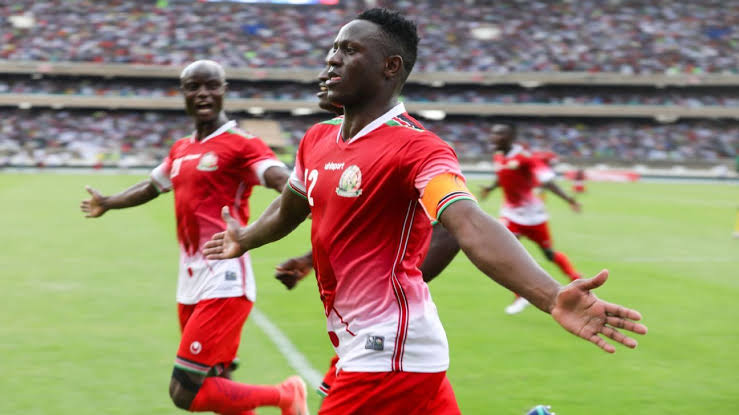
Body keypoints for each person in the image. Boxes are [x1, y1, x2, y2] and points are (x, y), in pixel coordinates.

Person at [203, 9, 647, 414]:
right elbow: (289, 208)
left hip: (390, 349)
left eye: (349, 50)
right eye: (333, 48)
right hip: (368, 342)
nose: (332, 59)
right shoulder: (317, 139)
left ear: (390, 66)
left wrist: (550, 296)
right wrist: (244, 238)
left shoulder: (417, 149)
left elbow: (465, 222)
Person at [80, 60, 309, 415]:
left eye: (211, 85)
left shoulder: (242, 145)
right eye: (193, 87)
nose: (203, 93)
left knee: (184, 392)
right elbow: (151, 186)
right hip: (189, 282)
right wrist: (108, 202)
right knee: (218, 381)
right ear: (183, 93)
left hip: (225, 280)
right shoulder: (181, 148)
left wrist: (259, 231)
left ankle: (285, 394)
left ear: (224, 90)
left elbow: (289, 184)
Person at [275, 63, 461, 401]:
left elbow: (455, 228)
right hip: (360, 331)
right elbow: (354, 233)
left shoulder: (405, 146)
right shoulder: (325, 141)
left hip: (385, 336)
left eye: (340, 63)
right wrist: (309, 260)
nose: (324, 75)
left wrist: (391, 288)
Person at [480, 123, 583, 315]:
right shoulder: (498, 156)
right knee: (507, 255)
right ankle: (520, 296)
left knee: (549, 254)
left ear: (511, 137)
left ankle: (577, 279)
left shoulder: (526, 158)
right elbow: (502, 176)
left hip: (533, 216)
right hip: (510, 215)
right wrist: (490, 188)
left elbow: (548, 182)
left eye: (499, 134)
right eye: (493, 134)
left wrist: (569, 199)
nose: (494, 138)